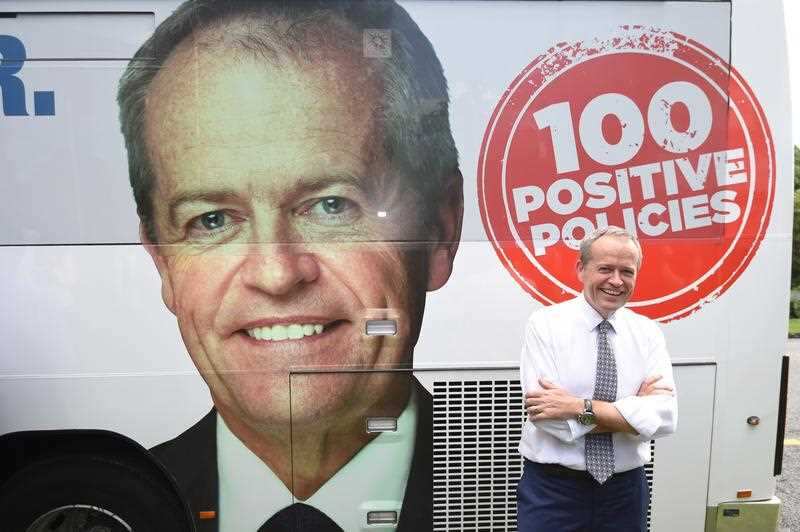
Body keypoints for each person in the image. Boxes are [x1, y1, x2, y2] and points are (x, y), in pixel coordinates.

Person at [116, 1, 463, 530]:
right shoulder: (118, 507)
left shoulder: (536, 490)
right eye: (211, 220)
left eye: (331, 205)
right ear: (163, 262)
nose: (276, 275)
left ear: (440, 232)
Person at [517, 226, 677, 532]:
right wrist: (632, 414)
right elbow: (546, 416)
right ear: (581, 269)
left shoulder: (648, 333)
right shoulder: (544, 325)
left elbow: (665, 417)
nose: (616, 281)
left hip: (625, 491)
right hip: (554, 490)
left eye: (626, 272)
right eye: (605, 269)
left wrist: (578, 406)